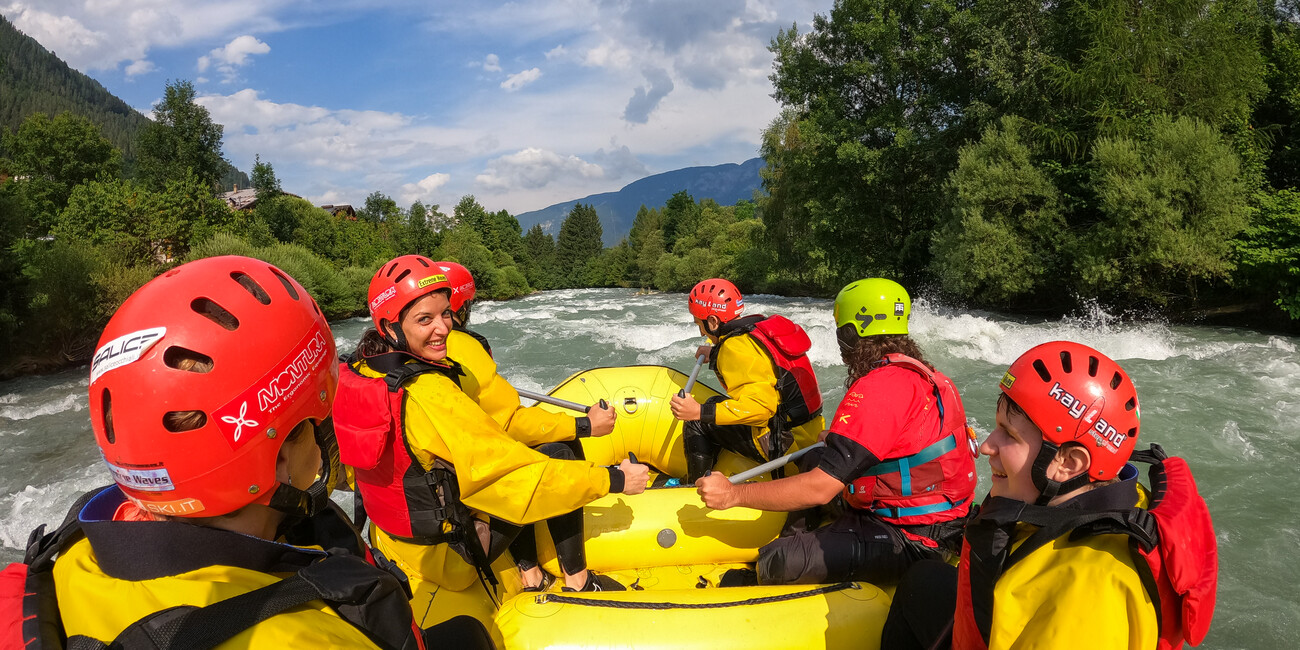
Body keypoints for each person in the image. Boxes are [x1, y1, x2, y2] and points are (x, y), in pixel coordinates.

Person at [18, 255, 490, 649]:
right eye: (318, 418)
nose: (329, 427)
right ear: (280, 458)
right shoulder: (299, 637)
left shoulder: (75, 546)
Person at [331, 254, 649, 616]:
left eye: (445, 314)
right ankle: (577, 579)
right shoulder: (429, 393)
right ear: (390, 327)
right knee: (556, 456)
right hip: (448, 558)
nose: (443, 328)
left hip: (391, 540)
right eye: (425, 319)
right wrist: (614, 478)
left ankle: (528, 571)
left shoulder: (357, 372)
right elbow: (515, 478)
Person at [881, 341, 1219, 650]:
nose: (986, 446)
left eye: (1008, 435)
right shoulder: (1104, 498)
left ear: (1068, 463)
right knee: (924, 580)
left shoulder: (1089, 596)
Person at [696, 278, 978, 586]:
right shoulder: (921, 372)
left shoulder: (881, 386)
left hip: (913, 539)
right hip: (920, 516)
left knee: (780, 560)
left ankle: (794, 551)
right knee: (816, 455)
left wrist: (733, 495)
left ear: (850, 332)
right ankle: (803, 535)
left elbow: (820, 488)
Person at [433, 260, 617, 592]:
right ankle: (578, 579)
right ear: (461, 305)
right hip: (463, 531)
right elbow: (511, 423)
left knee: (521, 455)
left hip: (432, 515)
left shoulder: (396, 360)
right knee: (561, 451)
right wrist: (584, 425)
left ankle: (530, 571)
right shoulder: (461, 346)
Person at [670, 278, 825, 483]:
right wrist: (715, 353)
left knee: (698, 421)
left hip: (786, 447)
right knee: (714, 406)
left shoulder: (734, 347)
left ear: (714, 322)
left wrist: (698, 412)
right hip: (809, 436)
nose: (701, 332)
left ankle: (693, 485)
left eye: (700, 323)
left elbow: (761, 409)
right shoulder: (758, 329)